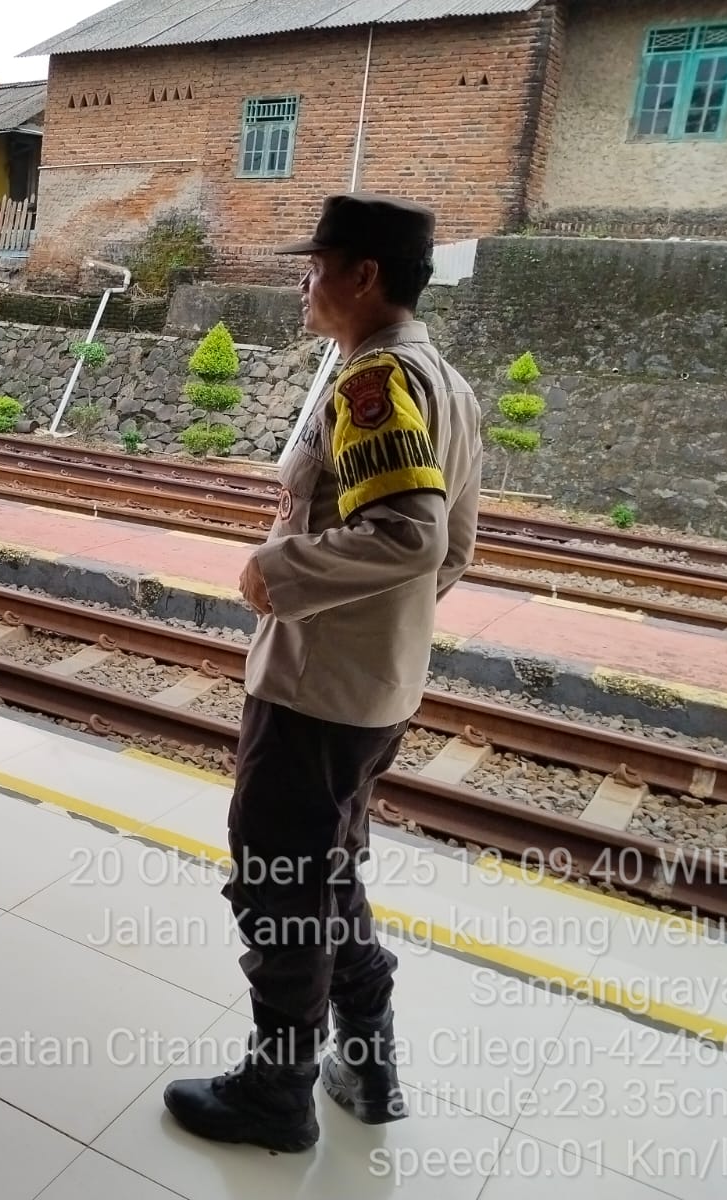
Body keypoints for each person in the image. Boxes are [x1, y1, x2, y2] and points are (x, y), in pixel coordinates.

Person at [163, 194, 483, 1152]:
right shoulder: (445, 380)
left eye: (317, 264)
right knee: (327, 871)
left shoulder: (377, 380)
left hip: (316, 686)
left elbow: (413, 536)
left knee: (278, 879)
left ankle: (277, 1092)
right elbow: (456, 547)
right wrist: (386, 624)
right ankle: (367, 1060)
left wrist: (281, 571)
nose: (304, 281)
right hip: (374, 682)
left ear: (364, 275)